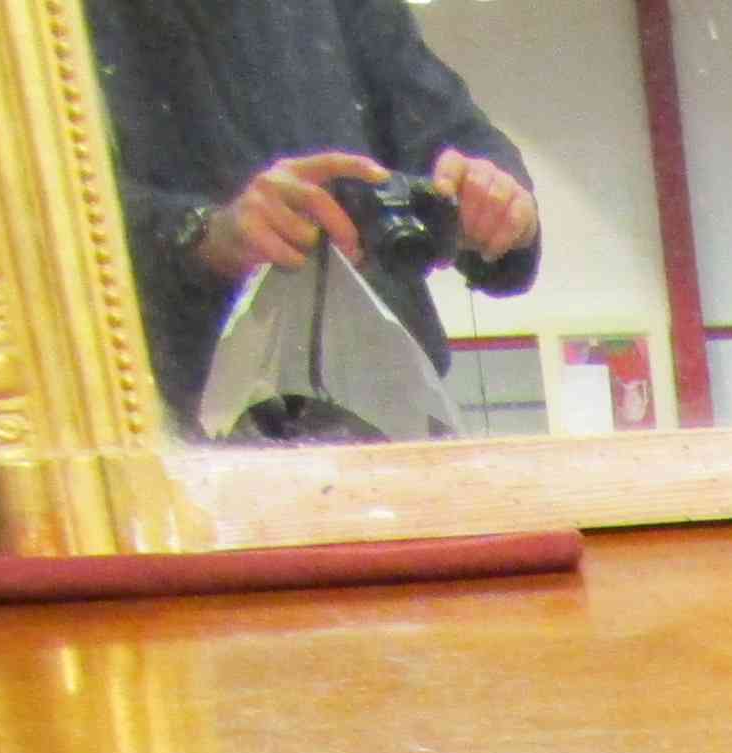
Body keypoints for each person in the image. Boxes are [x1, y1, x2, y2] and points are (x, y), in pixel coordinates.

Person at [85, 0, 543, 430]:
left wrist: (497, 194)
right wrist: (201, 233)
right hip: (167, 422)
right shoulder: (47, 29)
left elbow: (452, 132)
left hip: (387, 411)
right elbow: (46, 219)